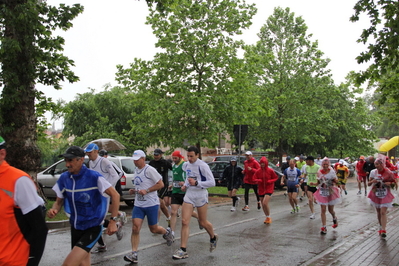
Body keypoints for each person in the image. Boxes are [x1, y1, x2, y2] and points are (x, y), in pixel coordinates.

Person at [47, 146, 120, 266]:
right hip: (76, 226)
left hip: (93, 227)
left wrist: (113, 221)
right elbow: (59, 201)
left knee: (68, 264)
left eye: (70, 160)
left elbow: (115, 195)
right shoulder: (65, 178)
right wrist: (54, 209)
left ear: (81, 160)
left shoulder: (94, 177)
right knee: (83, 263)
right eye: (66, 161)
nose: (67, 164)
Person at [0, 136, 48, 266]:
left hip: (14, 261)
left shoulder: (18, 180)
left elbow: (40, 229)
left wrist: (32, 262)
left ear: (2, 153)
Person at [124, 150, 173, 264]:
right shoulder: (136, 170)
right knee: (135, 228)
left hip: (151, 204)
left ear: (143, 158)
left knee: (154, 229)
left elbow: (160, 184)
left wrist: (147, 190)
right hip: (138, 204)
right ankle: (134, 253)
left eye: (137, 159)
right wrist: (134, 190)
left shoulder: (150, 170)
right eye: (134, 160)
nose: (135, 162)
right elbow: (140, 185)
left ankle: (166, 233)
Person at [172, 146, 218, 260]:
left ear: (197, 155)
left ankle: (213, 237)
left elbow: (212, 182)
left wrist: (197, 183)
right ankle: (183, 250)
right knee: (184, 221)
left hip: (200, 195)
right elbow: (189, 178)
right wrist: (185, 185)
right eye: (188, 156)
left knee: (202, 222)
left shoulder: (203, 166)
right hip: (190, 194)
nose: (189, 158)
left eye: (192, 156)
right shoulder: (186, 165)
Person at [84, 143, 126, 253]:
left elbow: (116, 175)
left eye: (90, 152)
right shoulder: (91, 162)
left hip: (104, 194)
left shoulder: (104, 161)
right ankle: (113, 229)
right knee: (95, 219)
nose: (88, 154)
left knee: (97, 219)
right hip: (95, 193)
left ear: (96, 151)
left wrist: (107, 188)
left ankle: (103, 243)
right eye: (87, 152)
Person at [169, 150, 202, 239]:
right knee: (173, 212)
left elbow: (188, 175)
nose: (174, 159)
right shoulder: (173, 166)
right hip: (176, 191)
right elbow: (174, 177)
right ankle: (172, 233)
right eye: (173, 158)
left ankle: (200, 218)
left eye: (176, 158)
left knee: (188, 213)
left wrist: (184, 182)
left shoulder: (185, 165)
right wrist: (172, 184)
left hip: (185, 192)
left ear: (180, 157)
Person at [367, 157, 396, 238]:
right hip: (376, 193)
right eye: (375, 164)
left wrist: (389, 183)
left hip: (385, 193)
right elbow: (368, 183)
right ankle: (380, 225)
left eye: (378, 164)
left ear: (382, 164)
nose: (377, 166)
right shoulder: (373, 172)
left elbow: (394, 183)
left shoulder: (388, 172)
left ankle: (383, 229)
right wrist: (372, 182)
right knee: (379, 212)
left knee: (383, 212)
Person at [312, 158, 341, 234]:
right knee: (323, 209)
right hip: (322, 191)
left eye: (326, 164)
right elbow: (318, 182)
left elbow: (336, 181)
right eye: (324, 164)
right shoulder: (319, 172)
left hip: (330, 191)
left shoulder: (331, 172)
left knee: (330, 210)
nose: (325, 166)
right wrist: (313, 184)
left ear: (328, 165)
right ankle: (324, 227)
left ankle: (334, 218)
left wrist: (336, 181)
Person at [149, 148, 173, 227]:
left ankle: (156, 222)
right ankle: (169, 217)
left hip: (163, 185)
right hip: (154, 185)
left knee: (158, 202)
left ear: (161, 155)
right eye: (155, 155)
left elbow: (174, 169)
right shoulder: (151, 163)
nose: (156, 157)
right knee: (161, 204)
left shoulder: (165, 163)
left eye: (157, 155)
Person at [254, 157, 278, 224]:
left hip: (269, 188)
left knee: (265, 202)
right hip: (261, 189)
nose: (262, 165)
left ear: (266, 163)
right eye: (261, 163)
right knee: (262, 204)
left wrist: (270, 181)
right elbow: (254, 178)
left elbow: (275, 177)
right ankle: (267, 217)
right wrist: (259, 180)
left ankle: (269, 216)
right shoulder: (258, 171)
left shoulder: (270, 170)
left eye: (263, 163)